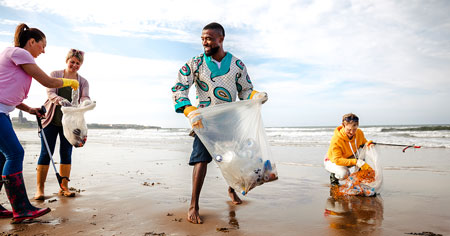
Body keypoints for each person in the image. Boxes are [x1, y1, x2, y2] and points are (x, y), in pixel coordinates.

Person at [171, 22, 268, 224]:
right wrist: (189, 110)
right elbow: (179, 88)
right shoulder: (195, 63)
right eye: (202, 38)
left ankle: (232, 190)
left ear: (220, 39)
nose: (205, 42)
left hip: (230, 122)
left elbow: (244, 91)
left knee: (233, 159)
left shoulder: (237, 65)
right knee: (200, 160)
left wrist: (256, 95)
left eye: (209, 38)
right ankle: (193, 205)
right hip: (203, 122)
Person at [0, 23, 79, 223]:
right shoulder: (20, 53)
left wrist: (29, 109)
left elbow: (9, 94)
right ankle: (21, 208)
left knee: (2, 157)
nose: (43, 51)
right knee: (15, 153)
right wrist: (71, 82)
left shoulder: (15, 56)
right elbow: (48, 81)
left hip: (3, 111)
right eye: (42, 45)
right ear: (32, 41)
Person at [34, 48, 90, 200]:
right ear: (67, 61)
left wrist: (87, 102)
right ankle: (40, 189)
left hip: (69, 124)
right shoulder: (55, 75)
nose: (74, 65)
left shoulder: (83, 81)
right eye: (72, 62)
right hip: (51, 119)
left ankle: (63, 187)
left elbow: (85, 96)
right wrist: (60, 100)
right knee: (46, 153)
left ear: (81, 65)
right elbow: (50, 93)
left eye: (78, 63)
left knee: (66, 153)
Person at [324, 113, 373, 186]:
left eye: (354, 129)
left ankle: (359, 177)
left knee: (365, 150)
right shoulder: (336, 139)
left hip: (349, 157)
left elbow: (364, 143)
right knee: (344, 174)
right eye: (349, 129)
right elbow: (337, 160)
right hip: (333, 161)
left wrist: (369, 144)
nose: (352, 132)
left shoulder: (359, 133)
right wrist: (356, 162)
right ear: (343, 125)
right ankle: (334, 177)